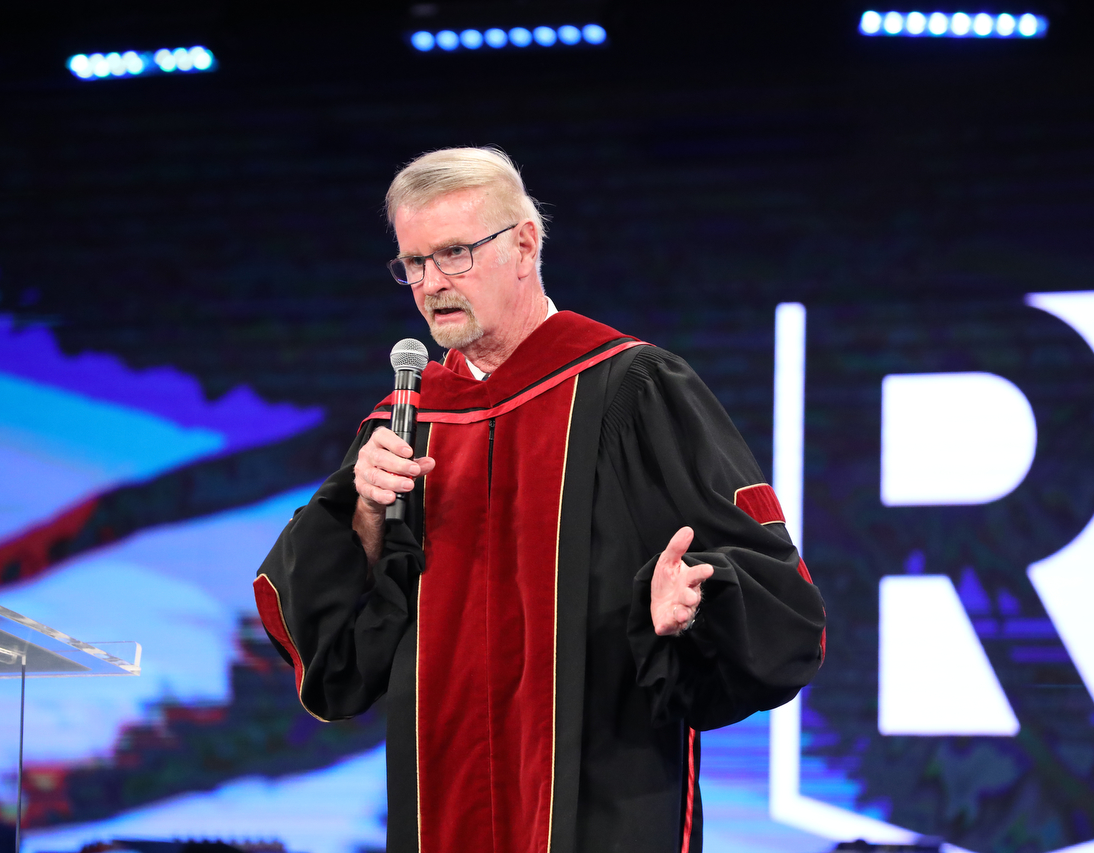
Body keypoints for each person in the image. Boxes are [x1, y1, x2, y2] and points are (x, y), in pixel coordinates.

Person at [254, 147, 825, 853]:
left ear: (524, 245)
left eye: (454, 253)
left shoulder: (632, 389)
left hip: (606, 790)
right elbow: (343, 662)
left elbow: (770, 584)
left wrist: (694, 602)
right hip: (444, 800)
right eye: (414, 263)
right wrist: (366, 515)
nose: (431, 284)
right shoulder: (406, 423)